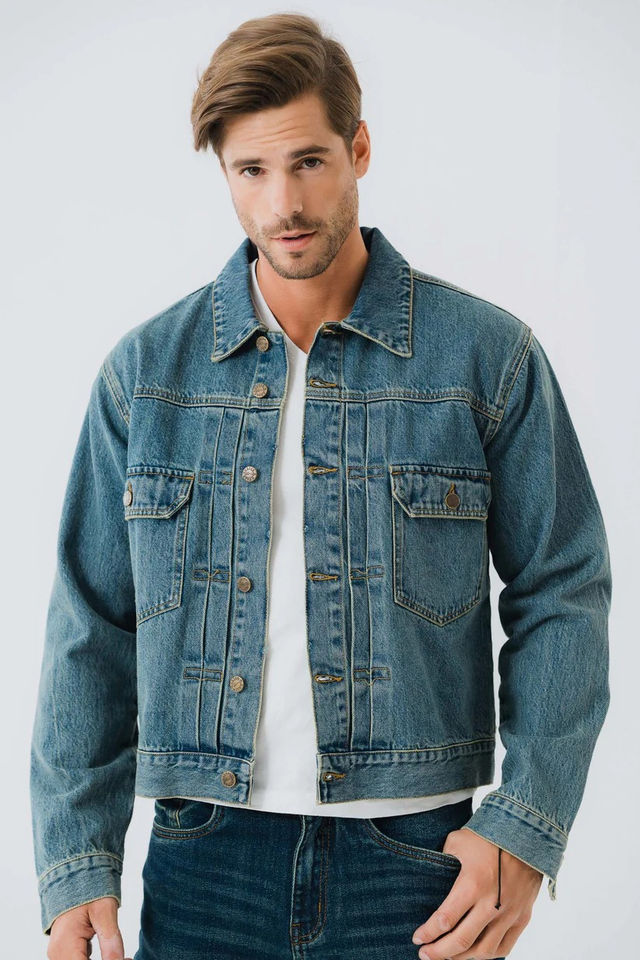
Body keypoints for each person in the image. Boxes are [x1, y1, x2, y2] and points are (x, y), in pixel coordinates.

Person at [30, 12, 612, 960]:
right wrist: (75, 864)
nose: (283, 204)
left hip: (416, 863)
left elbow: (564, 587)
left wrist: (526, 823)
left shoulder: (485, 359)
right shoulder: (146, 375)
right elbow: (90, 625)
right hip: (204, 860)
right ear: (224, 174)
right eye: (251, 171)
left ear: (359, 149)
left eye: (308, 161)